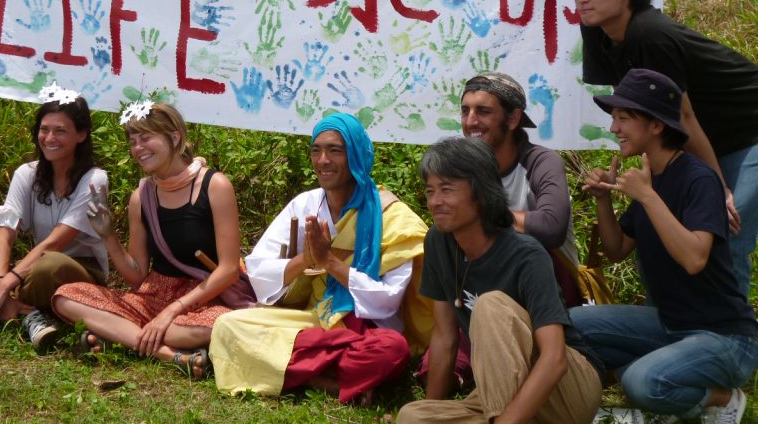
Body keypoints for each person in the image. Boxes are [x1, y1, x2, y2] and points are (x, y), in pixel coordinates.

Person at [567, 0, 758, 295]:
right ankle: (670, 323)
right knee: (664, 232)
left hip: (747, 133)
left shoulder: (649, 34)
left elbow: (683, 115)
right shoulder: (596, 29)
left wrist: (718, 189)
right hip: (699, 139)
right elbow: (632, 104)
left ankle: (735, 327)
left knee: (725, 231)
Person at [570, 68, 758, 423]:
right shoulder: (651, 178)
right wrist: (603, 199)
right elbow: (616, 250)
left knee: (641, 383)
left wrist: (647, 196)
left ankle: (720, 398)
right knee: (568, 325)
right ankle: (662, 383)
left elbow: (694, 259)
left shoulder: (698, 179)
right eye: (614, 118)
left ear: (656, 125)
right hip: (670, 325)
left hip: (725, 337)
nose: (614, 128)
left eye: (624, 118)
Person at [210, 113, 433, 405]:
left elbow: (386, 301)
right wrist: (306, 259)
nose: (323, 160)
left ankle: (291, 367)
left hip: (368, 330)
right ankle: (327, 381)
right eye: (316, 150)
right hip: (316, 319)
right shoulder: (306, 204)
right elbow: (259, 270)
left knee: (392, 349)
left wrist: (329, 262)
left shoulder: (392, 217)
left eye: (335, 150)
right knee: (228, 326)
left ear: (357, 155)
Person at [396, 138, 603, 424]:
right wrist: (433, 409)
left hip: (568, 389)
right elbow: (445, 337)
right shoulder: (438, 241)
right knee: (412, 417)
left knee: (490, 305)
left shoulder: (526, 254)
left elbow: (554, 359)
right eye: (430, 191)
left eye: (446, 190)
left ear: (481, 193)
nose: (435, 202)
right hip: (506, 391)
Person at [52, 101, 247, 378]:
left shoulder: (215, 185)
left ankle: (120, 335)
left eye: (145, 138)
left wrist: (172, 311)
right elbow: (137, 276)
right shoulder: (141, 197)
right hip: (153, 296)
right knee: (65, 297)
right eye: (133, 142)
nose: (138, 148)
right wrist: (107, 235)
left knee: (216, 325)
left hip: (204, 298)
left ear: (175, 137)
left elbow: (228, 270)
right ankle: (167, 354)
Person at [0, 92, 108, 353]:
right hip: (33, 271)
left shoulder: (94, 179)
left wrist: (5, 286)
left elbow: (55, 243)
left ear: (81, 134)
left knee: (50, 264)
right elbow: (5, 234)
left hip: (76, 273)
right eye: (44, 129)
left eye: (60, 131)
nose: (49, 138)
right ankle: (27, 314)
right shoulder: (27, 173)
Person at [460, 72, 581, 306]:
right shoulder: (463, 170)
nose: (470, 121)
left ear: (513, 119)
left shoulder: (541, 162)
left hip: (553, 297)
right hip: (487, 296)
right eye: (465, 111)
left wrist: (483, 215)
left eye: (483, 111)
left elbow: (551, 227)